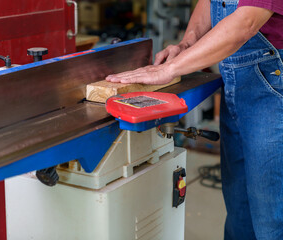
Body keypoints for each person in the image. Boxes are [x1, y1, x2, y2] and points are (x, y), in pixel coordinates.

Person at [106, 0, 283, 239]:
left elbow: (247, 21)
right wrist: (187, 44)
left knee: (271, 219)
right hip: (237, 81)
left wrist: (169, 69)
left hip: (272, 84)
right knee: (240, 214)